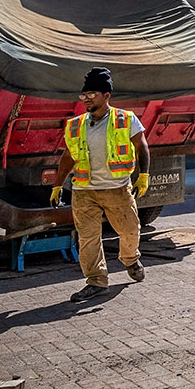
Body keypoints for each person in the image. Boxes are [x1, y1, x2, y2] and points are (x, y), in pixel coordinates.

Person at [54, 67, 152, 303]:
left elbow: (142, 146)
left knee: (129, 230)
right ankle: (96, 282)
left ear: (106, 95)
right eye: (84, 94)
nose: (87, 98)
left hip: (116, 188)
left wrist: (144, 176)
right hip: (84, 190)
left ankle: (129, 258)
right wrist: (57, 186)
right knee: (87, 238)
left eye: (92, 94)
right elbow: (68, 157)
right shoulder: (75, 125)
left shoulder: (125, 119)